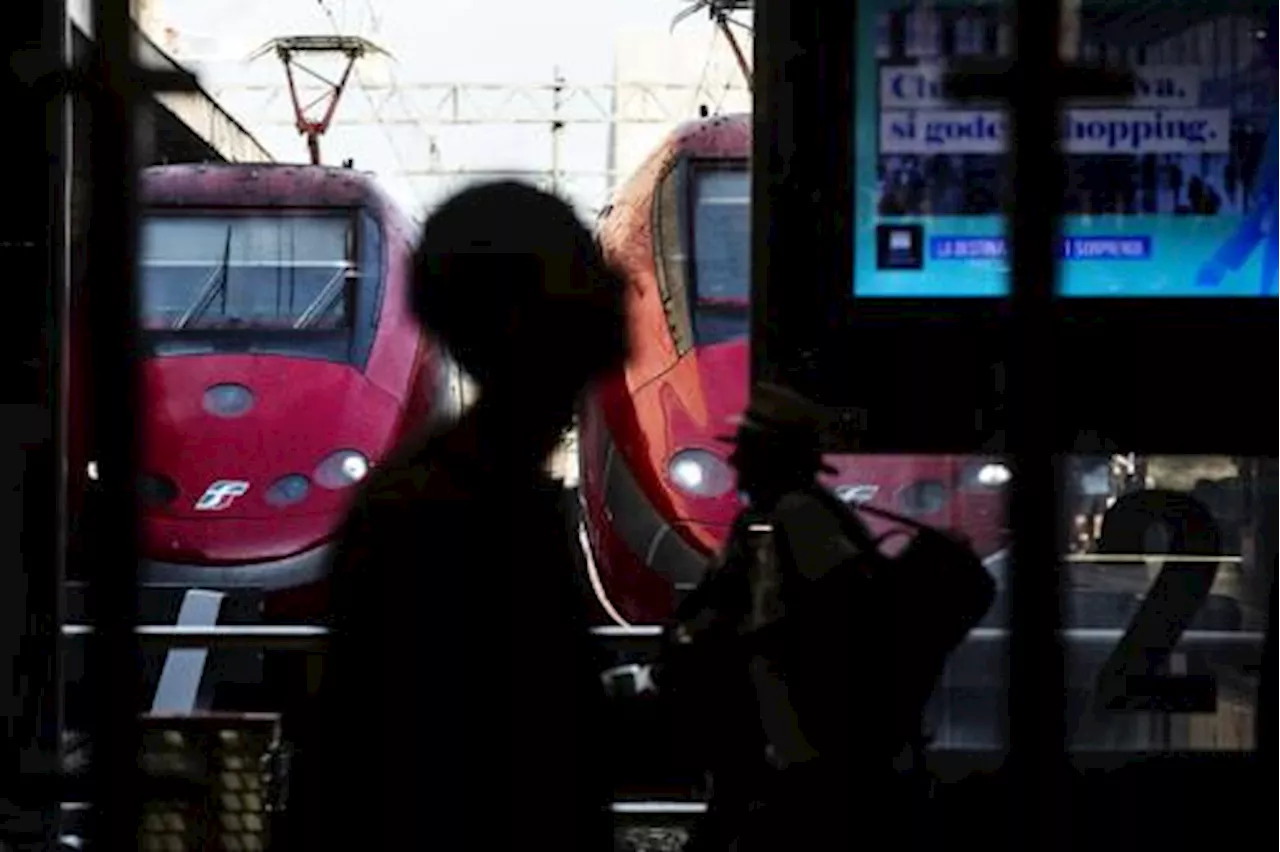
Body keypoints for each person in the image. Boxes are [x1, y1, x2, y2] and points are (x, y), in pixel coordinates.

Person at [282, 181, 630, 850]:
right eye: (586, 282)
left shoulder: (453, 494)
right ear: (522, 321)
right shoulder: (446, 513)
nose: (616, 303)